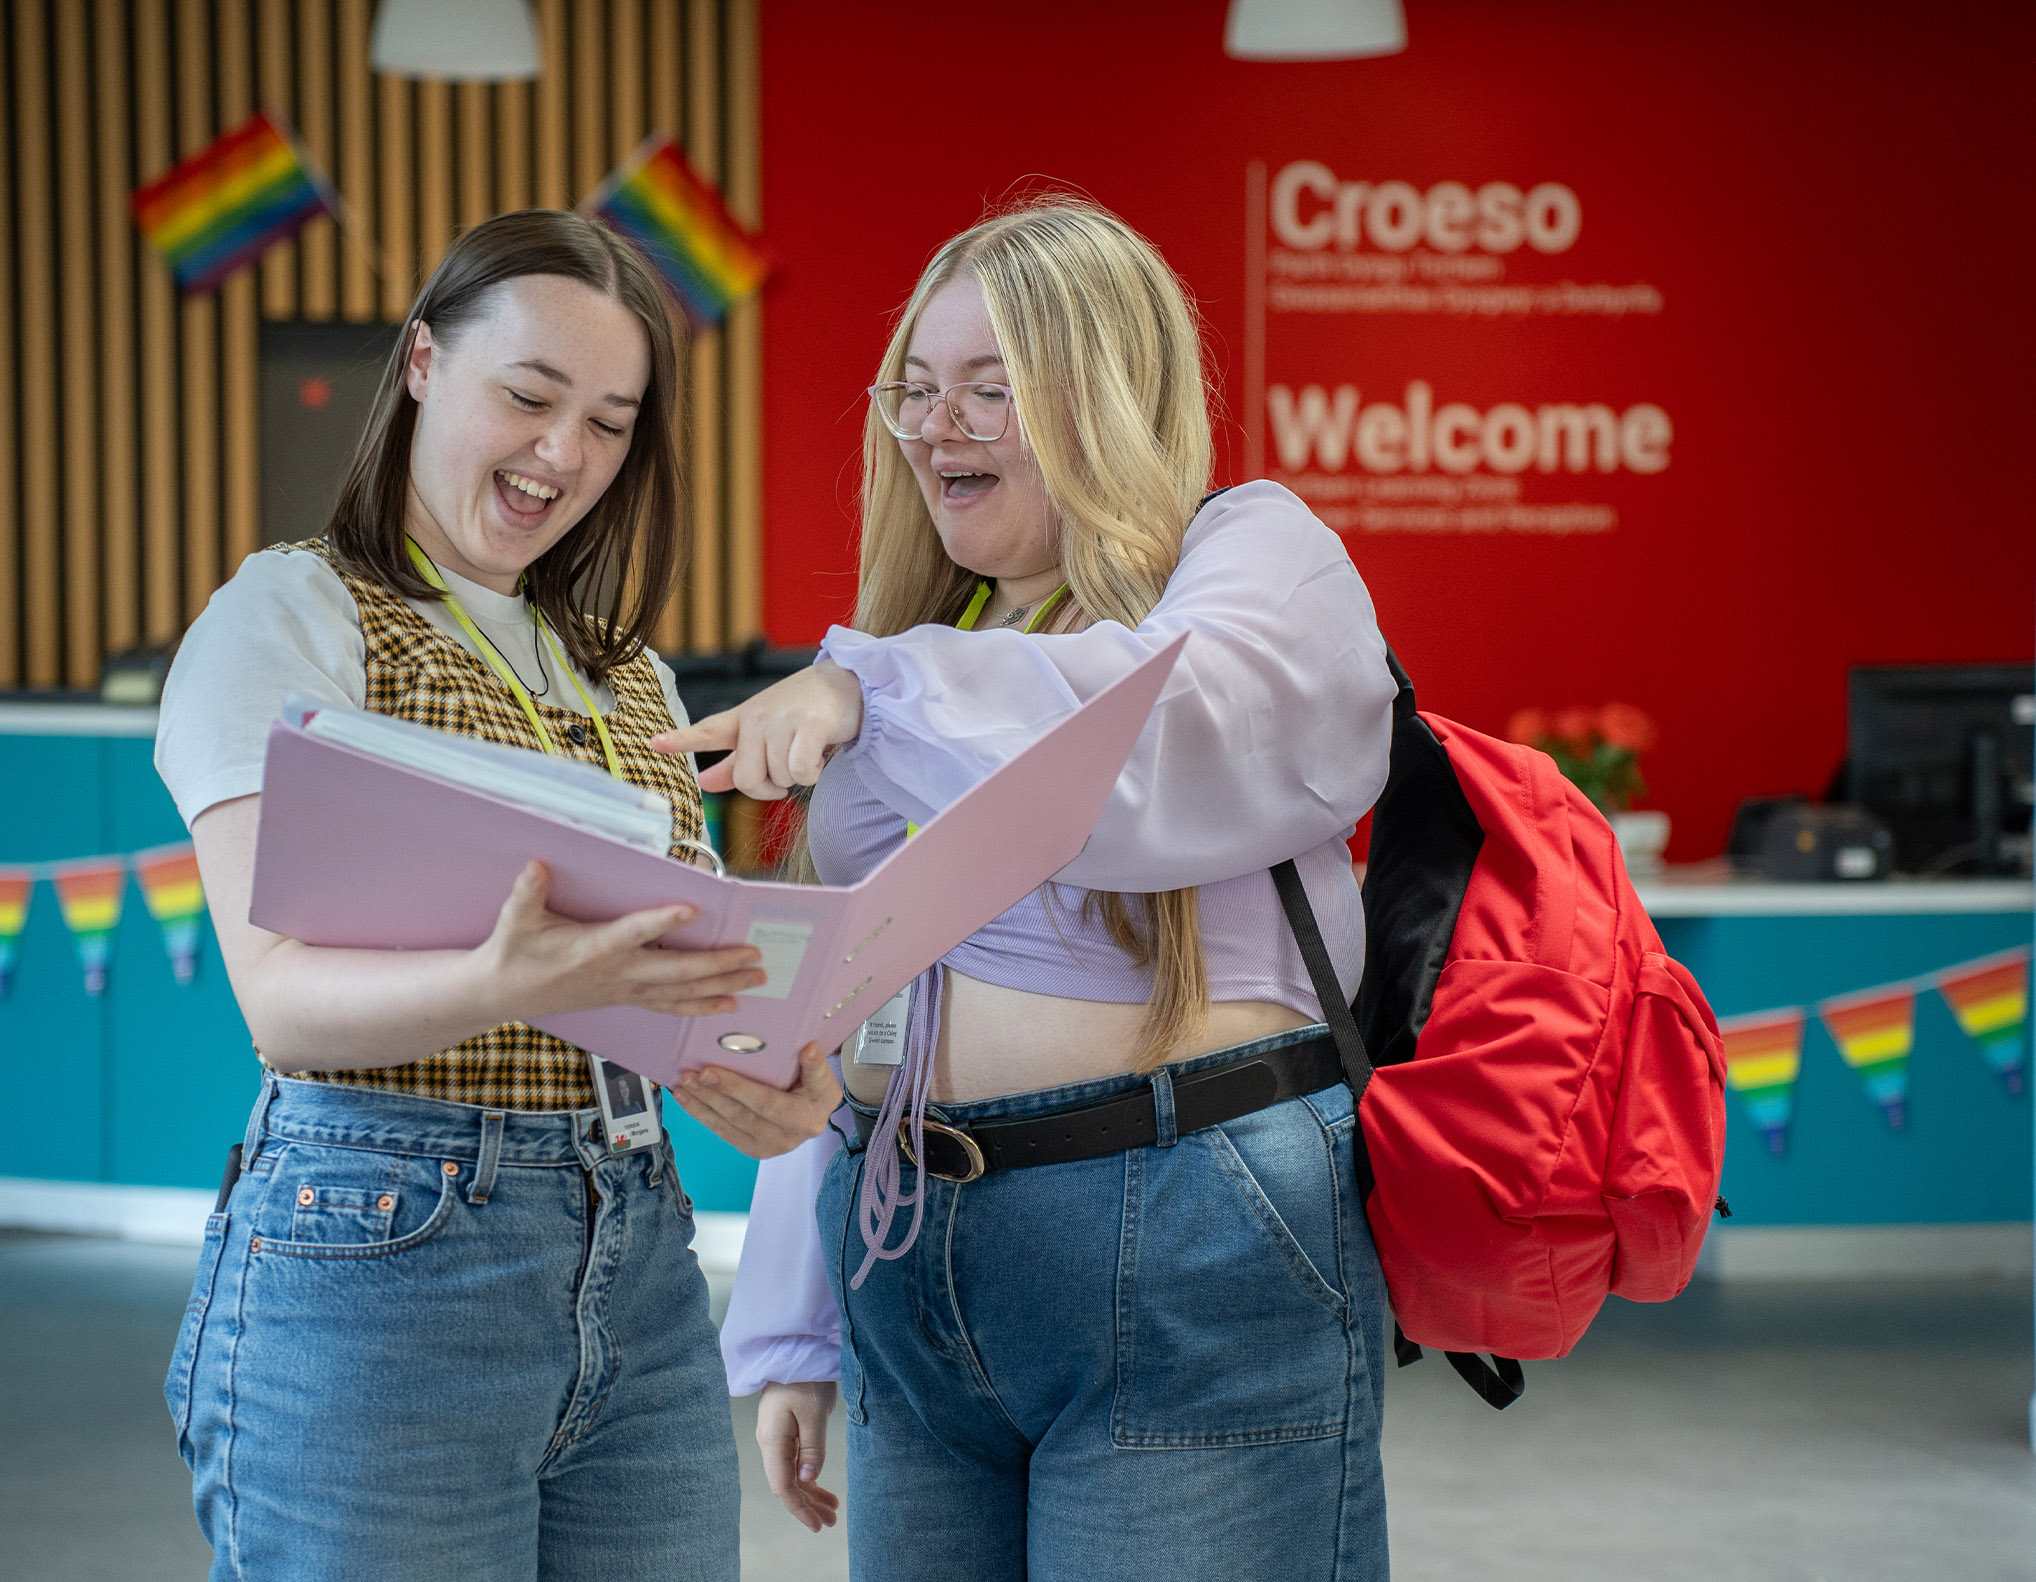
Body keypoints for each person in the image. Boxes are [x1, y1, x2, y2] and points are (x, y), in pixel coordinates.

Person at [669, 199, 1399, 1581]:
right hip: (908, 1252)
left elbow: (1159, 737)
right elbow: (857, 983)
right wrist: (797, 1325)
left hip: (1180, 1232)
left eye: (990, 390)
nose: (937, 425)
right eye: (916, 389)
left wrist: (872, 687)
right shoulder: (929, 642)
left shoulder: (1254, 557)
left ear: (1105, 397)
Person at [154, 209, 840, 1582]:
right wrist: (506, 980)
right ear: (421, 362)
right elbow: (281, 1003)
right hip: (382, 1245)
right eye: (529, 397)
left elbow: (685, 974)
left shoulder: (629, 675)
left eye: (609, 423)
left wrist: (774, 1080)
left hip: (639, 1250)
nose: (562, 455)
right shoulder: (293, 616)